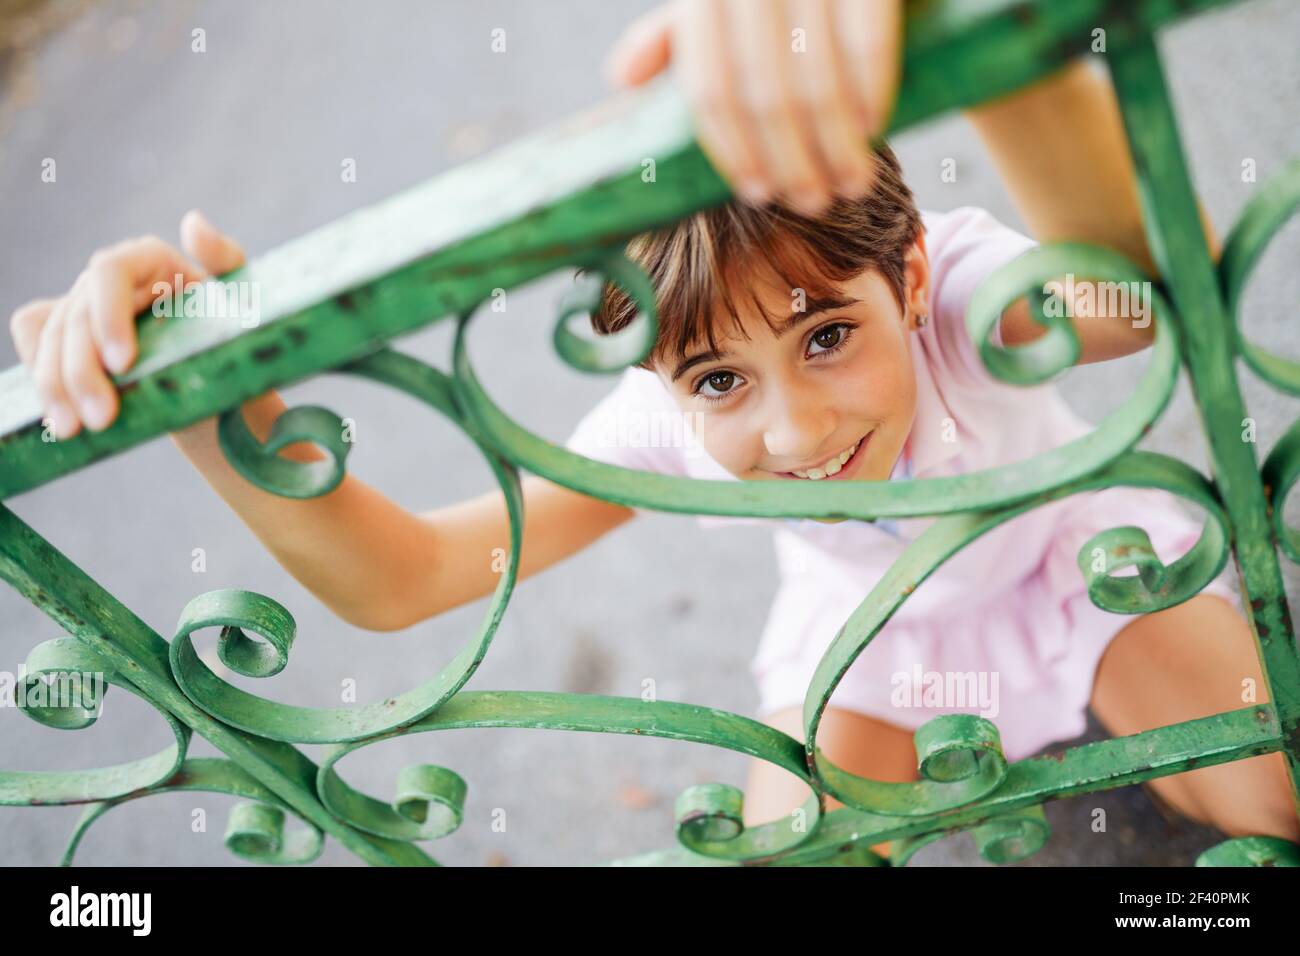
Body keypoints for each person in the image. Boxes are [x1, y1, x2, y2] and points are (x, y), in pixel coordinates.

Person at [9, 0, 1296, 861]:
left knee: (1263, 807)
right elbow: (404, 580)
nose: (794, 428)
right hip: (876, 646)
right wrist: (211, 402)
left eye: (827, 335)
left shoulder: (955, 287)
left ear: (902, 279)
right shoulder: (659, 417)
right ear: (665, 373)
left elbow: (1130, 297)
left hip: (1077, 570)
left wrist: (991, 34)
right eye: (721, 380)